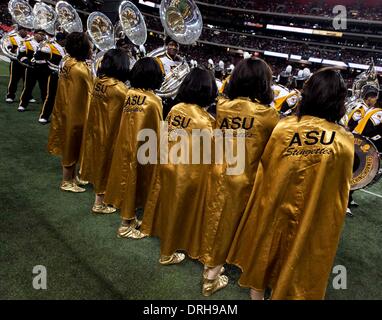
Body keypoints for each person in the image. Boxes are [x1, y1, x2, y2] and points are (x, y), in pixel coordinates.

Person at [227, 68, 354, 300]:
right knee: (300, 260)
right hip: (313, 217)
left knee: (267, 251)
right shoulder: (344, 140)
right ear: (339, 100)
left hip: (274, 206)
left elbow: (267, 169)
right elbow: (340, 191)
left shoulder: (283, 128)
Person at [199, 58, 279, 296]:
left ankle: (209, 268)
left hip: (218, 171)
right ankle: (211, 278)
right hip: (245, 178)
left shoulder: (223, 106)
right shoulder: (268, 115)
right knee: (232, 227)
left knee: (215, 219)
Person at [140, 68, 217, 266]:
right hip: (187, 172)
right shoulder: (205, 121)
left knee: (166, 201)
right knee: (178, 208)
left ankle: (157, 229)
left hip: (168, 163)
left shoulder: (176, 108)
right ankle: (167, 254)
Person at [105, 57, 164, 239]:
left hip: (126, 144)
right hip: (142, 149)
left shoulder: (130, 94)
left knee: (128, 181)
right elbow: (157, 130)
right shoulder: (153, 101)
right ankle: (125, 226)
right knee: (135, 182)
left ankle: (129, 218)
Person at [80, 49, 130, 214]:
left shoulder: (99, 81)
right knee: (106, 164)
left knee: (97, 160)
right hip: (110, 132)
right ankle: (99, 203)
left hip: (95, 128)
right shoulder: (120, 90)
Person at [47, 32, 93, 193]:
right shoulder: (80, 69)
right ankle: (67, 181)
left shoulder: (68, 62)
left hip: (65, 109)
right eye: (89, 43)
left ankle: (72, 178)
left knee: (70, 143)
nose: (92, 47)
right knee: (72, 144)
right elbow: (91, 92)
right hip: (76, 113)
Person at [17, 29, 50, 112]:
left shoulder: (48, 44)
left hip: (43, 69)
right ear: (35, 34)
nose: (42, 36)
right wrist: (28, 63)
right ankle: (22, 104)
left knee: (44, 89)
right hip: (32, 69)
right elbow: (20, 56)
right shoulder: (27, 43)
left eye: (43, 35)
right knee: (28, 87)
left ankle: (45, 106)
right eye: (40, 34)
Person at [38, 32, 67, 124]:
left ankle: (59, 117)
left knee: (63, 97)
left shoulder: (66, 49)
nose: (66, 42)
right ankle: (44, 116)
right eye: (65, 40)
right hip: (54, 74)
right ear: (61, 40)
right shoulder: (50, 46)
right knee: (51, 96)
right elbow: (39, 57)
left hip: (64, 76)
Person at [157, 36, 184, 117]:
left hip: (176, 99)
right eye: (171, 44)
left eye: (176, 45)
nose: (173, 47)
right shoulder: (159, 60)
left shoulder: (182, 63)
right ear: (166, 46)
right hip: (162, 97)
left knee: (170, 123)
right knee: (161, 121)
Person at [5, 25, 30, 103]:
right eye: (24, 30)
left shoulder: (29, 39)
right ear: (20, 30)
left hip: (26, 62)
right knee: (14, 80)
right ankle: (10, 95)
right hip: (15, 62)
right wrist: (14, 50)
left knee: (27, 81)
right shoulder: (12, 37)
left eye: (27, 30)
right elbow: (8, 48)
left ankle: (27, 96)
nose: (26, 32)